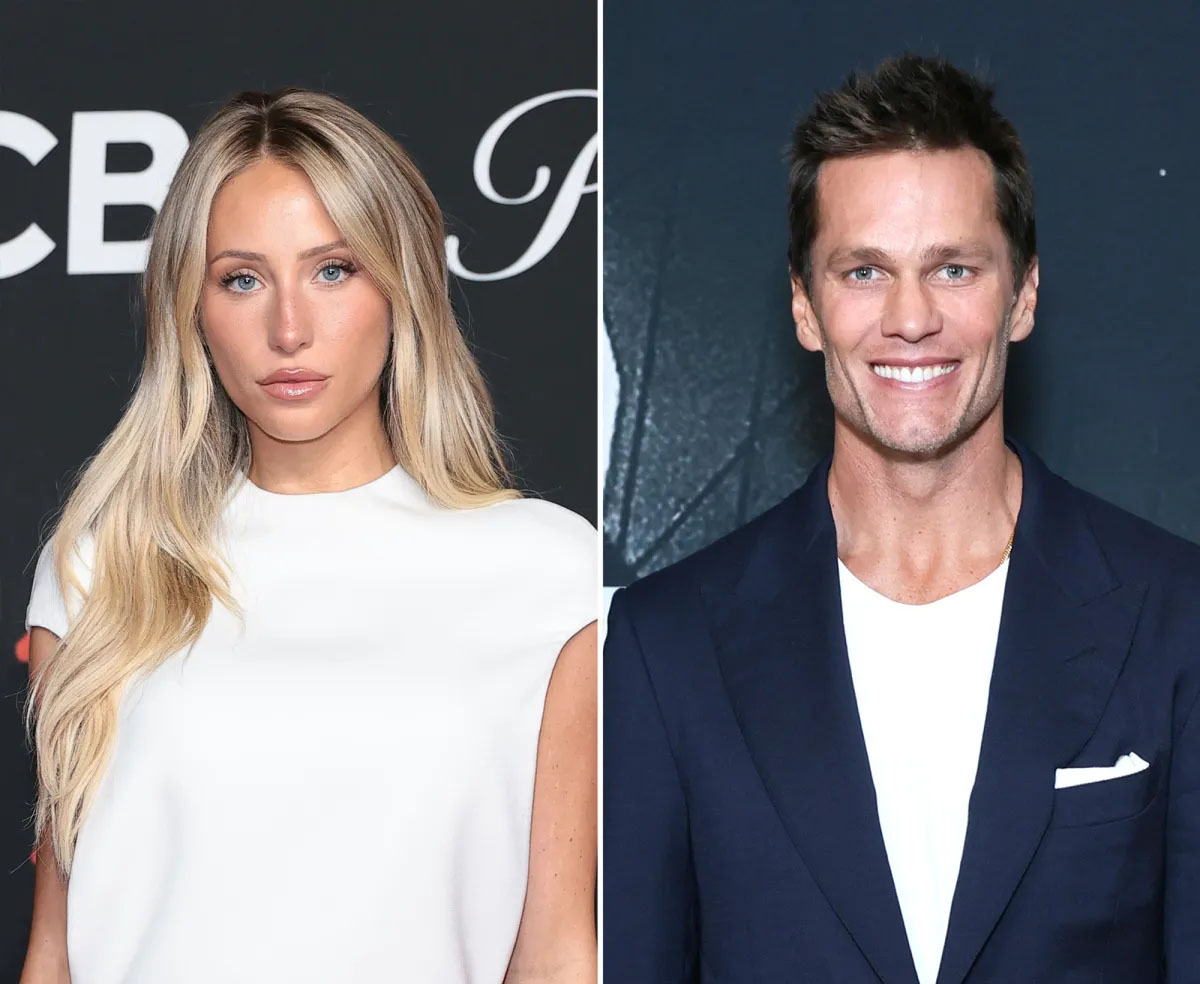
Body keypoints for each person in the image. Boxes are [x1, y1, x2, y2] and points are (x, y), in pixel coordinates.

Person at [604, 54, 1200, 983]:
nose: (910, 318)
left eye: (953, 268)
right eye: (864, 271)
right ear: (806, 307)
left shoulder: (1177, 616)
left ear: (1023, 295)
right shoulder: (667, 647)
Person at [21, 88, 596, 984]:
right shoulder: (104, 569)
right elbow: (54, 953)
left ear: (401, 286)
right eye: (242, 279)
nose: (288, 329)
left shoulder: (548, 574)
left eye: (333, 270)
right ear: (191, 309)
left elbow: (558, 953)